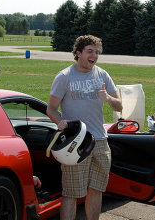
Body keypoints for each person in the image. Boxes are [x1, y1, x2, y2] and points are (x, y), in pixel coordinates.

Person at [46, 35, 122, 220]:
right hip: (75, 143)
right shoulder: (64, 77)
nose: (94, 56)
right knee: (71, 193)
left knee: (96, 190)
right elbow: (51, 109)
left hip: (100, 141)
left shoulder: (103, 75)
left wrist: (109, 99)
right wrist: (60, 122)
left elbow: (119, 106)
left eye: (97, 52)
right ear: (78, 53)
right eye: (90, 51)